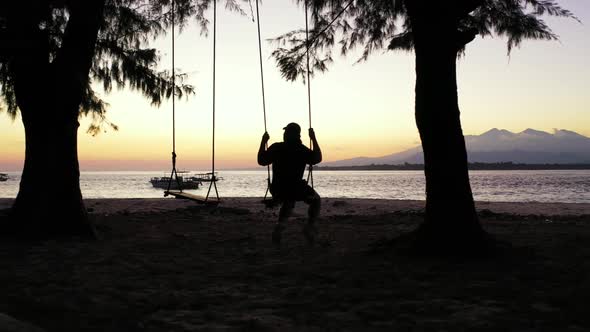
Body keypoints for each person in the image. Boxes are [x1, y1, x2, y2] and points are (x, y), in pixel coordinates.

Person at [258, 122, 322, 246]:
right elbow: (317, 158)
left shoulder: (277, 147)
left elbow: (261, 160)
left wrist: (263, 141)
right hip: (296, 188)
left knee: (288, 200)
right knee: (316, 200)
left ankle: (280, 227)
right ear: (298, 135)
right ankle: (310, 226)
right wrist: (313, 138)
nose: (284, 134)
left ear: (288, 134)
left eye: (286, 132)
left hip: (277, 188)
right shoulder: (301, 149)